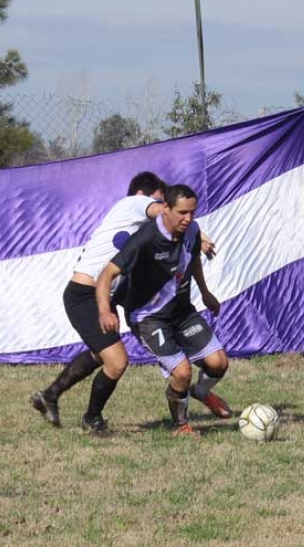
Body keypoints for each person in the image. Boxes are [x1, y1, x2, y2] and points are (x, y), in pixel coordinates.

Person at [30, 171, 215, 435]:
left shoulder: (142, 226)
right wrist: (200, 233)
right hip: (85, 294)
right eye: (162, 202)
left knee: (100, 353)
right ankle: (91, 419)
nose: (164, 212)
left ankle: (49, 395)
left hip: (102, 295)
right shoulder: (134, 203)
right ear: (147, 195)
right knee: (116, 361)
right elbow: (165, 211)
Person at [96, 184, 232, 438]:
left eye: (192, 212)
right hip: (149, 318)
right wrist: (105, 310)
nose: (188, 218)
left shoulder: (192, 230)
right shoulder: (146, 239)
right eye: (182, 212)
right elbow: (107, 275)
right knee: (182, 372)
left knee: (219, 363)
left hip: (182, 312)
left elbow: (192, 261)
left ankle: (201, 392)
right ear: (165, 209)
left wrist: (205, 292)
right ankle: (181, 427)